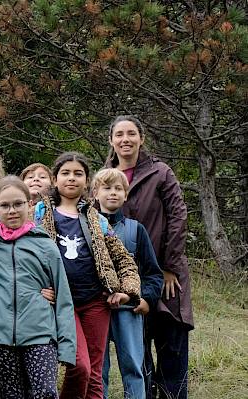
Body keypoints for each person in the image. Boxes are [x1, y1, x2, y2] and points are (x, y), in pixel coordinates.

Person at [34, 152, 141, 399]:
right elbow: (25, 254)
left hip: (95, 301)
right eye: (66, 173)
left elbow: (125, 261)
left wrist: (126, 291)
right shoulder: (39, 213)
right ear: (54, 178)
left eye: (78, 174)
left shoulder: (98, 220)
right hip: (62, 301)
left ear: (87, 181)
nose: (72, 178)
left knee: (94, 372)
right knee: (79, 366)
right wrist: (37, 287)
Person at [104, 115, 193, 399]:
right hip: (126, 281)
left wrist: (169, 266)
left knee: (171, 349)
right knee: (137, 354)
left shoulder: (160, 172)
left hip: (166, 277)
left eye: (131, 133)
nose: (125, 139)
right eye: (119, 134)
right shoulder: (105, 177)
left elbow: (178, 218)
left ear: (141, 138)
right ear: (111, 141)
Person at [0, 176, 76, 398]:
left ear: (29, 204)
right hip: (0, 339)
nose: (12, 210)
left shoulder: (46, 245)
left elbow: (63, 296)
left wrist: (67, 346)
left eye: (18, 204)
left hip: (40, 335)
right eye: (4, 205)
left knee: (45, 393)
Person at [92, 168, 163, 399]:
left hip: (129, 309)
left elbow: (153, 273)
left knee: (133, 366)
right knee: (97, 369)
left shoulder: (135, 230)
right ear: (95, 193)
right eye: (106, 188)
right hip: (95, 309)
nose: (112, 193)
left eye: (118, 189)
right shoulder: (85, 227)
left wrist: (146, 299)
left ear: (126, 194)